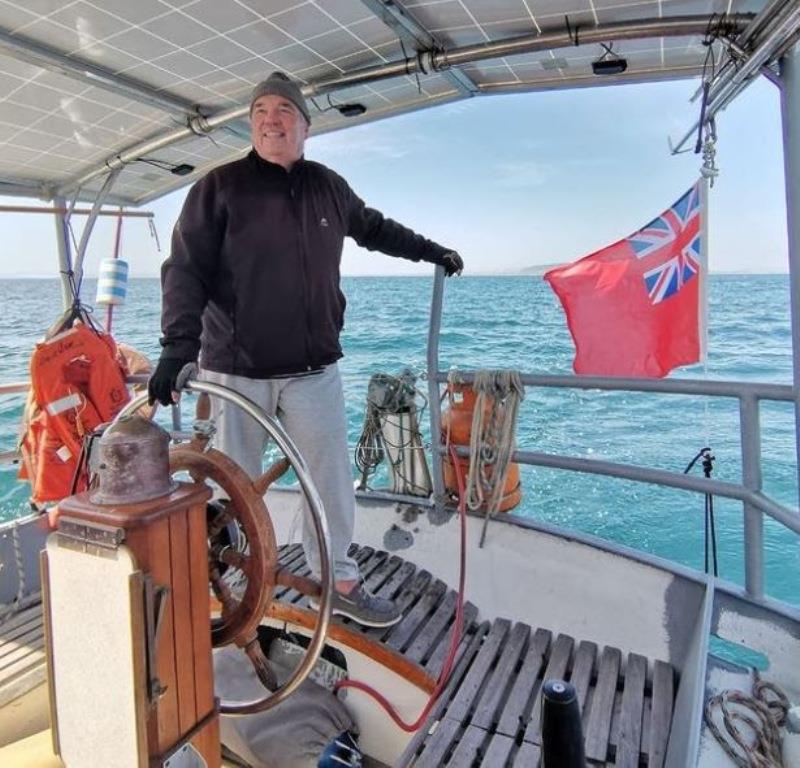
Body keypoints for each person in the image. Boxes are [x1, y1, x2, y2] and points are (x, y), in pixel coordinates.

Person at [148, 71, 463, 628]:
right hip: (236, 370)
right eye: (261, 110)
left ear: (305, 125)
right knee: (235, 480)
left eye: (284, 110)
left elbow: (376, 229)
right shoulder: (218, 188)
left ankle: (336, 576)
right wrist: (178, 347)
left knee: (330, 478)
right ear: (251, 124)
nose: (272, 119)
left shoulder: (329, 187)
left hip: (314, 369)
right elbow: (185, 270)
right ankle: (238, 581)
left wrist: (432, 251)